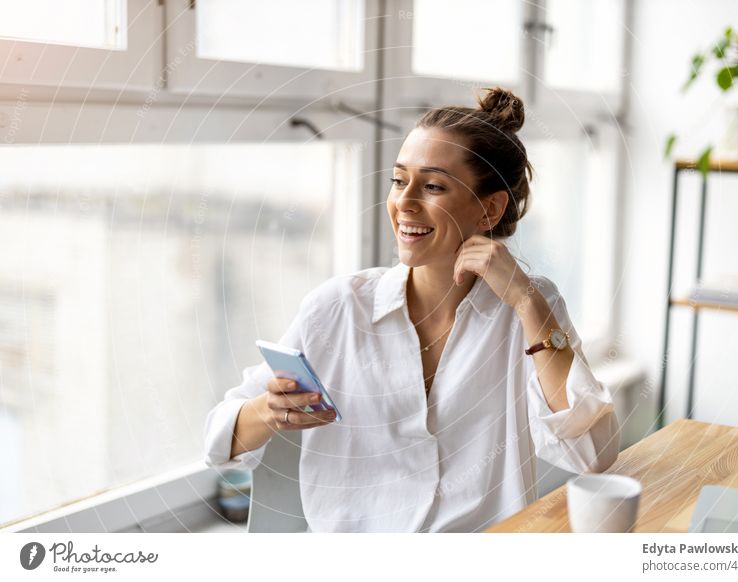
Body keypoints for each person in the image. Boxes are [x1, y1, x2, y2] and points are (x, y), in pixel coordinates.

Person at [204, 87, 620, 532]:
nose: (404, 202)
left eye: (434, 185)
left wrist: (525, 301)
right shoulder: (339, 309)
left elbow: (593, 452)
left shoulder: (528, 307)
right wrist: (269, 411)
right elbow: (217, 440)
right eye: (400, 180)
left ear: (490, 209)